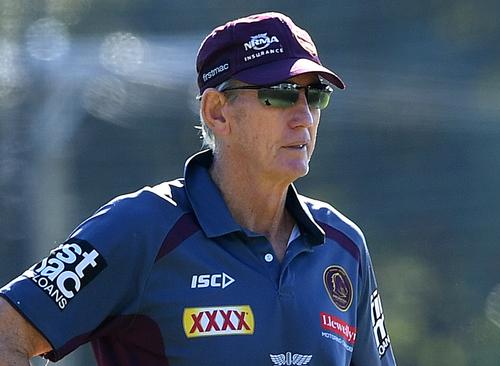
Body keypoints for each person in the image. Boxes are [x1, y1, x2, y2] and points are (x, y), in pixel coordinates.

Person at [0, 12, 396, 366]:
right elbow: (6, 335)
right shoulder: (139, 228)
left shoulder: (344, 245)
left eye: (316, 95)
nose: (304, 116)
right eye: (280, 95)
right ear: (217, 112)